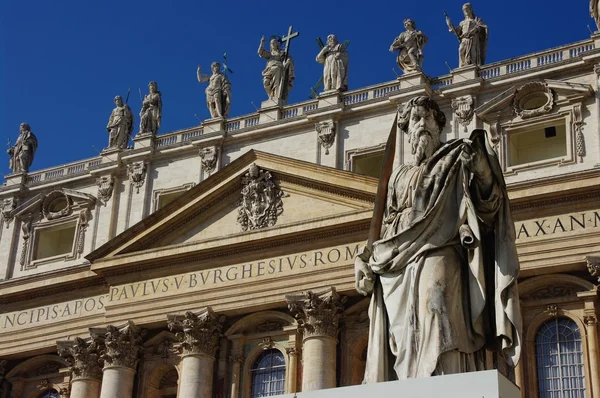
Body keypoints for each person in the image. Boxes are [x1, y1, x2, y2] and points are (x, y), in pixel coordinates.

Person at [355, 96, 521, 381]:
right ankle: (414, 382)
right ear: (407, 132)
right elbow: (386, 225)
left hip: (441, 247)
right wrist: (366, 258)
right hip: (397, 263)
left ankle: (445, 378)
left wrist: (482, 171)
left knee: (437, 303)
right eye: (415, 120)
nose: (421, 125)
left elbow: (489, 207)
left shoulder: (457, 157)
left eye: (426, 118)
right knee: (406, 332)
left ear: (439, 124)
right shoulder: (398, 176)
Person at [258, 37, 295, 102]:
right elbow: (260, 52)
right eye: (271, 43)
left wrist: (288, 62)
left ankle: (276, 96)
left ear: (277, 44)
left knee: (276, 82)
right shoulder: (269, 54)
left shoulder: (281, 53)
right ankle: (270, 96)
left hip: (278, 69)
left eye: (274, 43)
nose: (272, 44)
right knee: (265, 82)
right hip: (268, 70)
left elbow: (289, 59)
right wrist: (262, 43)